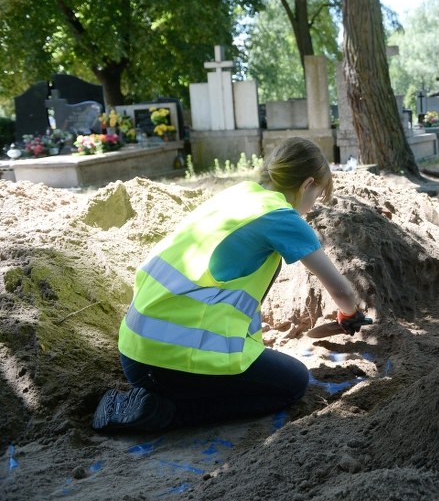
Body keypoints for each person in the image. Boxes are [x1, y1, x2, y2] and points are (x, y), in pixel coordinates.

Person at [92, 137, 372, 432]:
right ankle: (163, 411)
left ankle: (158, 396)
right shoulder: (281, 217)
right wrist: (349, 313)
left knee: (266, 371)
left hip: (136, 349)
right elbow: (341, 290)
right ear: (307, 185)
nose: (312, 207)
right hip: (166, 361)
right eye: (317, 195)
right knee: (292, 383)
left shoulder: (240, 195)